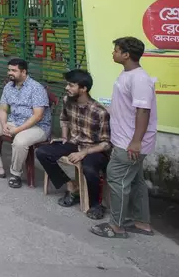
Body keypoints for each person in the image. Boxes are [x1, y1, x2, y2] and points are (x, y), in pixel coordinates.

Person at [91, 37, 157, 239]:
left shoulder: (139, 79)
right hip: (125, 140)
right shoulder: (127, 75)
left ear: (126, 55)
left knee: (117, 179)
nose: (113, 53)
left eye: (116, 50)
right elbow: (127, 106)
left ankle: (117, 226)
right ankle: (141, 222)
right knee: (135, 182)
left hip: (130, 143)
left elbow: (143, 111)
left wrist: (136, 142)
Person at [36, 69, 111, 220]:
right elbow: (64, 119)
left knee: (89, 168)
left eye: (71, 85)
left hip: (94, 149)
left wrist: (84, 153)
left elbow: (106, 144)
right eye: (67, 85)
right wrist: (64, 136)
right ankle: (71, 186)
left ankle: (96, 205)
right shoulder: (67, 101)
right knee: (42, 152)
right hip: (75, 142)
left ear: (83, 89)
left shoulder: (99, 111)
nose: (67, 88)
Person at [0, 58, 51, 189]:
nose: (9, 73)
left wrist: (17, 130)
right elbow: (3, 108)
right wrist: (4, 123)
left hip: (37, 126)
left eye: (13, 70)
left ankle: (15, 174)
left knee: (20, 141)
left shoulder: (36, 88)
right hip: (14, 121)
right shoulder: (8, 86)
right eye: (9, 70)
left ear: (24, 72)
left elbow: (38, 116)